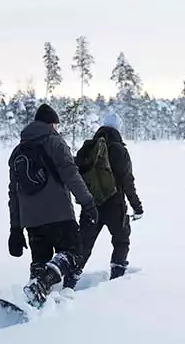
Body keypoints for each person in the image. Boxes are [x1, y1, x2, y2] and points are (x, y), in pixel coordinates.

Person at [7, 103, 97, 308]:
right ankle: (41, 284)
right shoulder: (55, 142)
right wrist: (88, 202)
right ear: (51, 124)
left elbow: (13, 193)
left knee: (40, 262)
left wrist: (15, 228)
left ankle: (34, 304)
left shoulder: (17, 151)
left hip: (31, 220)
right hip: (59, 214)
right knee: (73, 253)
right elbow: (71, 175)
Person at [72, 113, 143, 287]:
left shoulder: (88, 147)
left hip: (90, 205)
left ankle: (70, 280)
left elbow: (75, 173)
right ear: (118, 128)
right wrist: (137, 206)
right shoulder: (120, 150)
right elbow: (127, 181)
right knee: (121, 240)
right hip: (114, 205)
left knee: (84, 244)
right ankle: (116, 282)